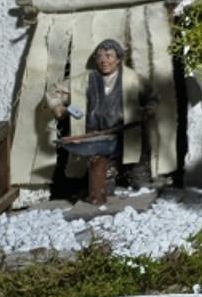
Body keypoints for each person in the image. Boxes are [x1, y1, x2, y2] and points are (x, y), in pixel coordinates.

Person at [50, 38, 155, 188]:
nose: (104, 61)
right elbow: (55, 90)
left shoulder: (132, 78)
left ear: (118, 59)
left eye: (109, 56)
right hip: (99, 136)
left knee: (139, 178)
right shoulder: (86, 79)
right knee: (102, 184)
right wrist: (57, 106)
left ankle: (138, 178)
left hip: (127, 132)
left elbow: (153, 96)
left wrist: (150, 109)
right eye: (99, 56)